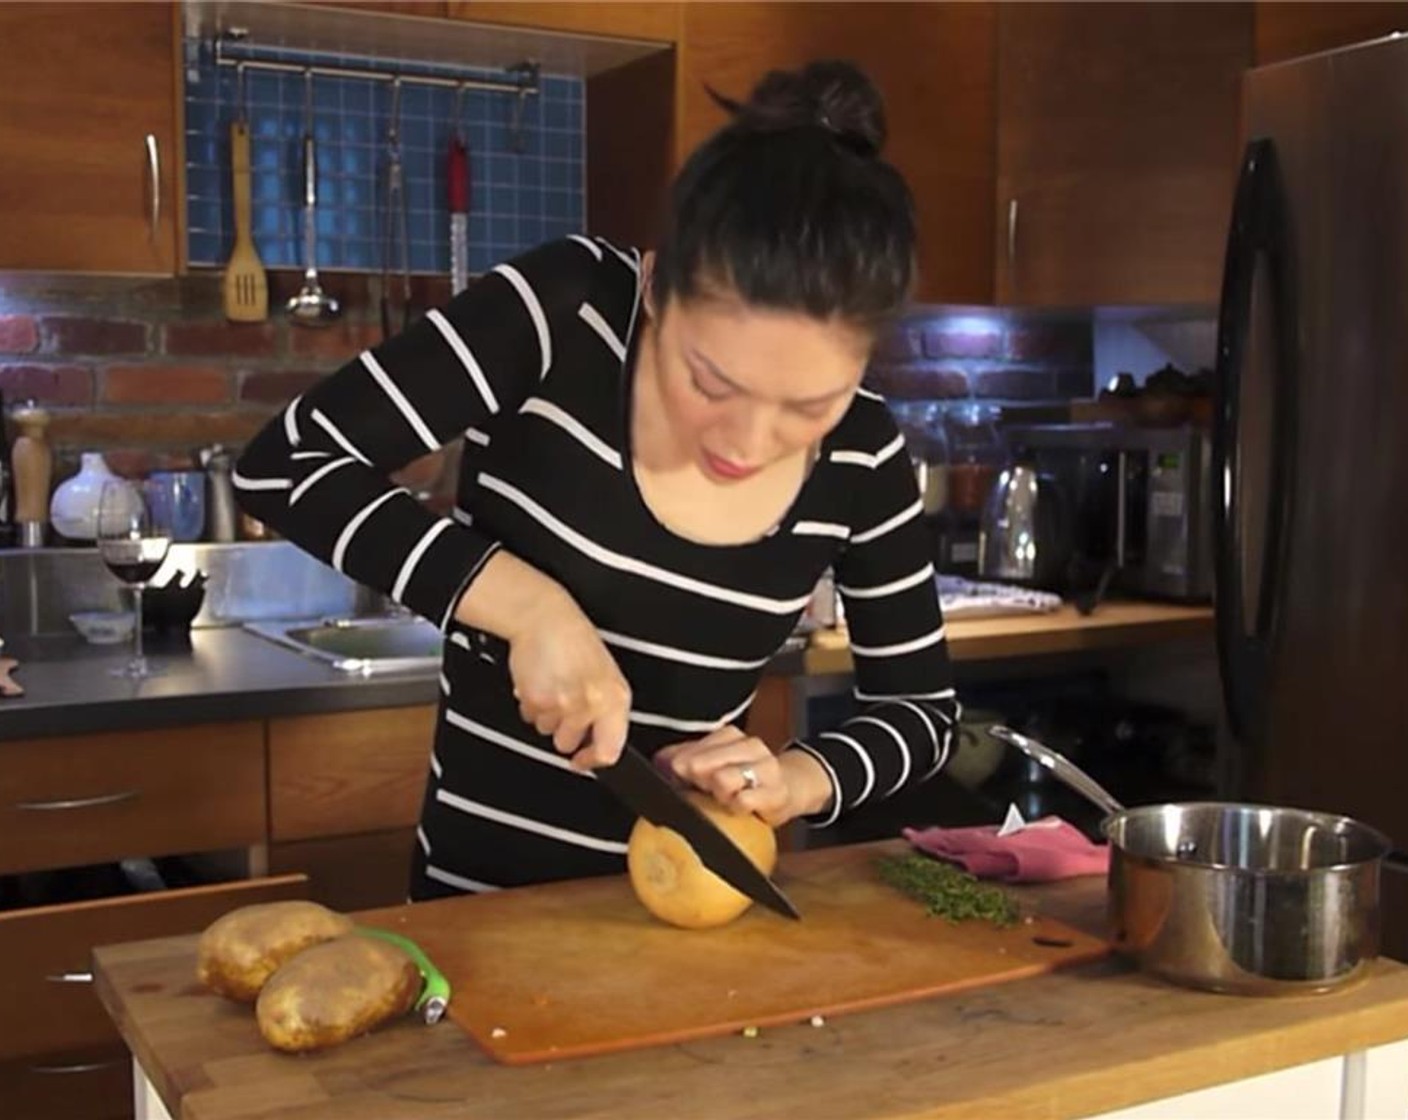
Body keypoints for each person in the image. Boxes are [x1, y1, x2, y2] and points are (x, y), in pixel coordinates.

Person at [235, 59, 960, 901]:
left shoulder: (865, 450)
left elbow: (920, 710)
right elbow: (286, 465)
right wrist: (527, 606)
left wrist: (799, 777)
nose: (749, 441)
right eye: (711, 382)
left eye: (810, 403)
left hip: (683, 923)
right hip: (477, 911)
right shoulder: (568, 314)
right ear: (655, 284)